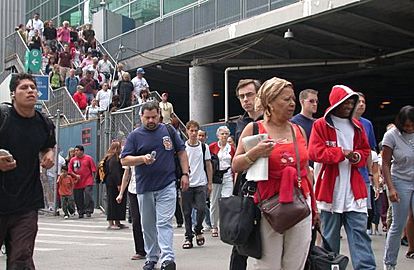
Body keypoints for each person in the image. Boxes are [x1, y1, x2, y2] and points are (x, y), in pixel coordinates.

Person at [232, 77, 316, 269]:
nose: (292, 103)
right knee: (268, 265)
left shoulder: (299, 131)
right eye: (286, 99)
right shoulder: (254, 129)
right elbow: (236, 165)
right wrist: (255, 153)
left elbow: (306, 170)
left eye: (293, 99)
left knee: (295, 264)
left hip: (300, 204)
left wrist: (315, 207)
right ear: (270, 102)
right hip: (267, 206)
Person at [308, 85, 376, 269]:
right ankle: (331, 267)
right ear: (336, 102)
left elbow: (365, 151)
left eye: (352, 102)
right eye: (346, 101)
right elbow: (314, 152)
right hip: (330, 192)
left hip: (354, 191)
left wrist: (358, 157)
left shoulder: (359, 126)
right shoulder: (320, 125)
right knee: (329, 238)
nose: (350, 105)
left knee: (360, 234)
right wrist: (341, 153)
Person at [121, 101, 190, 270]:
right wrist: (141, 159)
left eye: (154, 117)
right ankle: (152, 257)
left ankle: (167, 258)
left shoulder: (168, 130)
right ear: (141, 117)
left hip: (167, 184)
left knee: (164, 223)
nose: (151, 120)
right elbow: (124, 159)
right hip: (144, 188)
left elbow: (181, 152)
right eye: (147, 117)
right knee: (148, 225)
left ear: (159, 114)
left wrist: (185, 174)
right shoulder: (135, 136)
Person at [0, 73, 56, 269]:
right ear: (13, 94)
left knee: (22, 259)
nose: (30, 90)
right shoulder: (3, 117)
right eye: (24, 87)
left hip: (26, 203)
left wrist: (49, 154)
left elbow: (48, 145)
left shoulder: (44, 124)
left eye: (33, 87)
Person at [230, 78, 263, 270]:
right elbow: (237, 159)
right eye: (242, 96)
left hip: (269, 186)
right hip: (246, 186)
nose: (245, 99)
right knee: (240, 237)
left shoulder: (271, 120)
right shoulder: (241, 123)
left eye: (250, 94)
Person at [382, 105, 414, 269]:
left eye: (412, 125)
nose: (409, 128)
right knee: (398, 223)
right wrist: (391, 188)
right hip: (399, 180)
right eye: (406, 125)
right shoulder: (391, 135)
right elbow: (385, 164)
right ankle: (389, 262)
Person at [182, 120, 213, 249]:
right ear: (187, 131)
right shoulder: (183, 147)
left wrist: (209, 183)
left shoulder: (203, 147)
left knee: (201, 209)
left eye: (196, 131)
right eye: (191, 130)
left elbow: (208, 164)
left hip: (200, 182)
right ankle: (188, 237)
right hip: (187, 184)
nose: (194, 133)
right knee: (187, 212)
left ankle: (198, 229)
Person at [354, 92, 379, 234]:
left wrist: (370, 173)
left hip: (363, 175)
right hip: (347, 173)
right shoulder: (343, 122)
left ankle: (362, 235)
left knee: (363, 210)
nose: (362, 104)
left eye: (364, 102)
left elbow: (369, 150)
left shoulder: (367, 124)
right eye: (359, 102)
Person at [209, 126, 235, 237]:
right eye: (222, 134)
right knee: (214, 202)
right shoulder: (212, 147)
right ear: (218, 135)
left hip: (228, 175)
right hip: (216, 176)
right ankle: (214, 225)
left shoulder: (232, 148)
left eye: (226, 134)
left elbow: (234, 162)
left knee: (227, 201)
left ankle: (225, 225)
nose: (224, 136)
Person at [117, 165, 146, 260]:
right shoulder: (129, 151)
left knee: (149, 220)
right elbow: (127, 174)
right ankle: (140, 250)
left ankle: (154, 248)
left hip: (147, 190)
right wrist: (121, 193)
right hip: (133, 190)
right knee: (136, 221)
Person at [104, 142, 127, 230]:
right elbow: (115, 172)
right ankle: (111, 222)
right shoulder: (113, 159)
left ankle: (117, 221)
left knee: (117, 203)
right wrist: (119, 184)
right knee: (112, 202)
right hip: (113, 184)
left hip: (111, 183)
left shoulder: (110, 158)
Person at [68, 145, 96, 219]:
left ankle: (88, 210)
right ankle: (80, 211)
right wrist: (75, 175)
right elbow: (70, 170)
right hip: (77, 181)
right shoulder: (73, 160)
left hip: (88, 180)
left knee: (88, 194)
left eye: (77, 150)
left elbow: (93, 169)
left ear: (82, 151)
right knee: (78, 197)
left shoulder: (88, 158)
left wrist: (93, 179)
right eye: (75, 151)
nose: (76, 152)